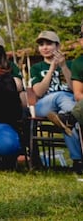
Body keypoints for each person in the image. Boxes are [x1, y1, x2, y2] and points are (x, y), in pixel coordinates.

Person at [30, 30, 81, 169]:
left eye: (49, 44)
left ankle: (78, 162)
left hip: (64, 108)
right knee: (61, 98)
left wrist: (63, 66)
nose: (44, 47)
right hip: (44, 106)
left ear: (58, 46)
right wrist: (52, 68)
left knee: (65, 121)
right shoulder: (36, 67)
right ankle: (73, 116)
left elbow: (73, 88)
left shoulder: (71, 64)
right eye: (41, 44)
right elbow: (38, 91)